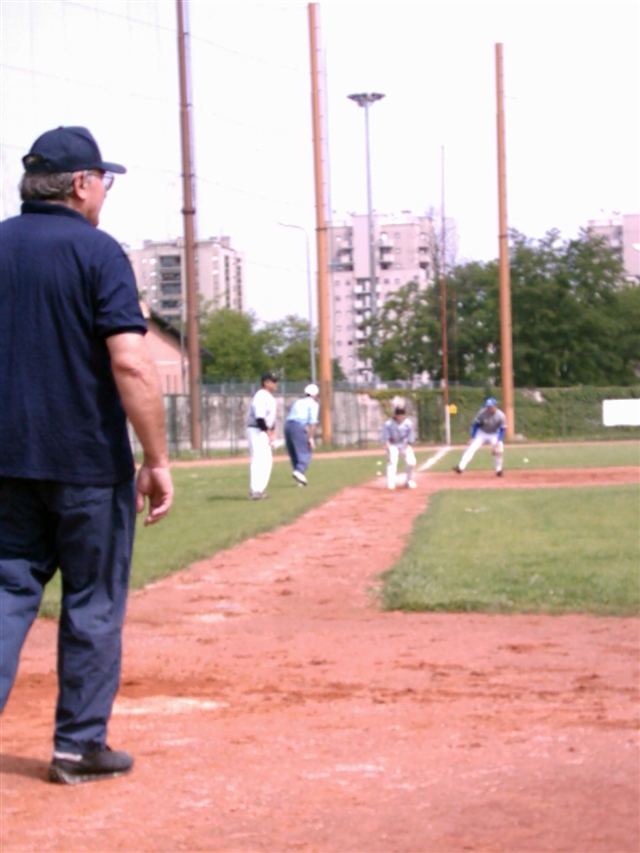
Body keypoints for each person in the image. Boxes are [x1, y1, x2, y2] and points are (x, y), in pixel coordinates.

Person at [0, 126, 174, 785]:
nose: (105, 190)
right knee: (94, 601)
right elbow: (131, 363)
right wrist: (155, 459)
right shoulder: (98, 252)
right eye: (104, 178)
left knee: (6, 592)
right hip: (87, 465)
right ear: (80, 184)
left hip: (5, 464)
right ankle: (78, 745)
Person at [453, 397, 507, 476]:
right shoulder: (482, 413)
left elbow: (502, 429)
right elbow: (476, 425)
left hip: (494, 434)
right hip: (482, 433)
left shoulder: (501, 415)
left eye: (490, 406)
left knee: (498, 451)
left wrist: (497, 443)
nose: (489, 408)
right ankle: (460, 468)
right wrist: (472, 437)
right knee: (471, 448)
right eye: (487, 406)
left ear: (495, 406)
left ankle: (499, 470)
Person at [246, 371, 278, 499]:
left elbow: (270, 417)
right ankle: (255, 490)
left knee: (267, 461)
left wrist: (272, 431)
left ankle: (260, 489)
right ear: (265, 382)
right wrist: (267, 432)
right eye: (273, 381)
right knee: (258, 459)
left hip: (264, 430)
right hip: (256, 430)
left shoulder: (269, 396)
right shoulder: (260, 396)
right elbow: (259, 417)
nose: (276, 383)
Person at [284, 384, 320, 486]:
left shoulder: (298, 402)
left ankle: (299, 480)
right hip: (298, 426)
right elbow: (312, 423)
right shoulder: (313, 404)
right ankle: (299, 471)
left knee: (294, 453)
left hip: (287, 426)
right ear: (315, 394)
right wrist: (311, 438)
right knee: (305, 453)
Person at [382, 406, 417, 490]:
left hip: (404, 444)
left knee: (411, 462)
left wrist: (405, 449)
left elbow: (410, 438)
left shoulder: (408, 423)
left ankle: (409, 481)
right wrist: (388, 450)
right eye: (399, 415)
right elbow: (386, 438)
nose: (401, 417)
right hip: (392, 444)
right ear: (395, 415)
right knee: (392, 461)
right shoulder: (388, 424)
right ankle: (391, 483)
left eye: (402, 415)